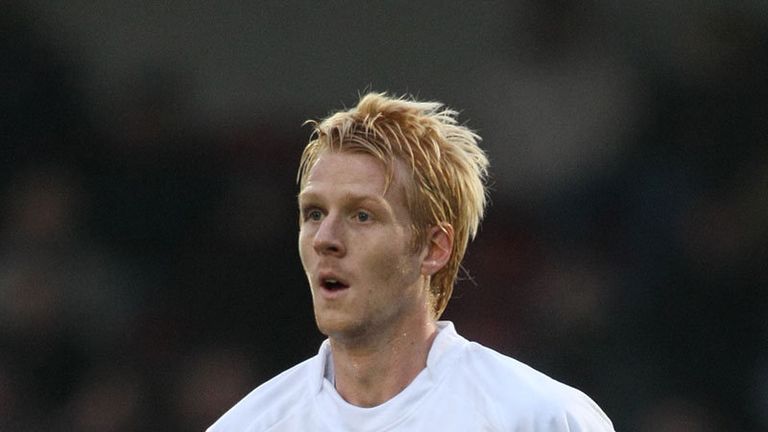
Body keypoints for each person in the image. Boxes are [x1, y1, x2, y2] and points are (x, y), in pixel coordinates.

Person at [207, 93, 615, 431]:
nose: (325, 239)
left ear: (434, 248)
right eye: (314, 213)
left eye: (362, 215)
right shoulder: (248, 425)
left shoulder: (541, 418)